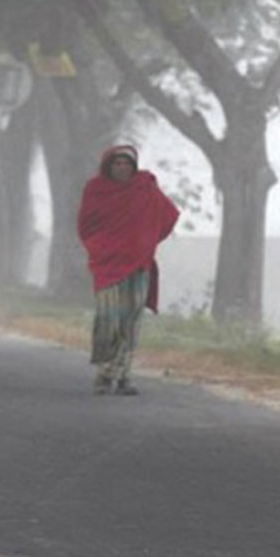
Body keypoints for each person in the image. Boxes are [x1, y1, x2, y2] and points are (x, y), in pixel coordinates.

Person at [77, 145, 180, 396]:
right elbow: (86, 225)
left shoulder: (144, 188)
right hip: (107, 265)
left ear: (134, 167)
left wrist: (146, 241)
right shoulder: (96, 190)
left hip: (138, 264)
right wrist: (99, 249)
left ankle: (121, 375)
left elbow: (168, 214)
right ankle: (105, 370)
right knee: (108, 318)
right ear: (108, 166)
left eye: (127, 164)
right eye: (117, 164)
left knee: (130, 320)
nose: (122, 168)